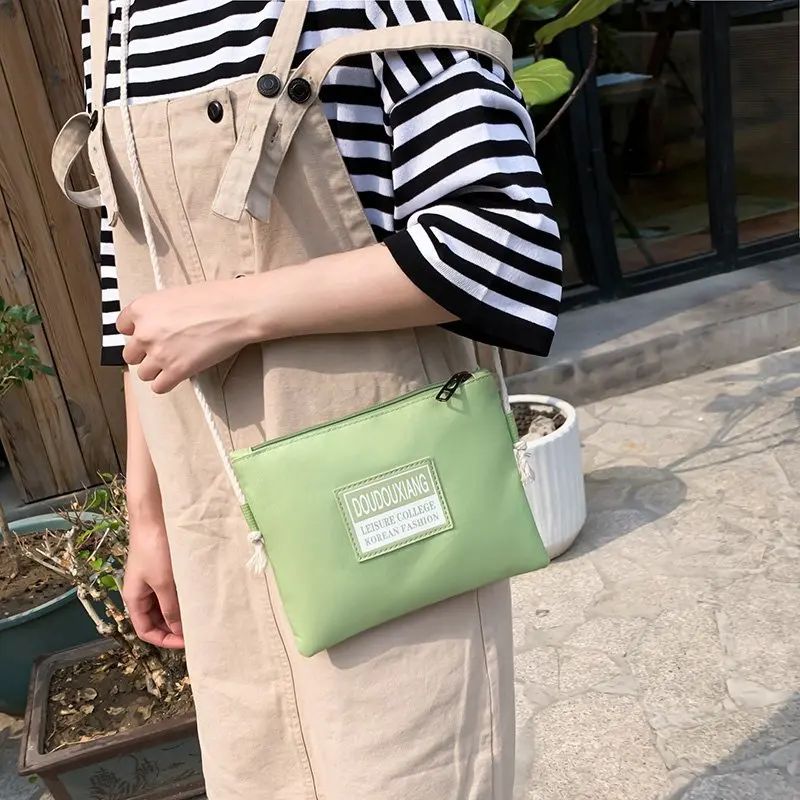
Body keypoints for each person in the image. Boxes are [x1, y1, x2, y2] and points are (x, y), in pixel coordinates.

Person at [57, 1, 562, 797]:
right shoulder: (108, 15)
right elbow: (136, 297)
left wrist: (234, 310)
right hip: (208, 508)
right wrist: (148, 517)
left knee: (415, 775)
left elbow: (504, 239)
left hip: (378, 485)